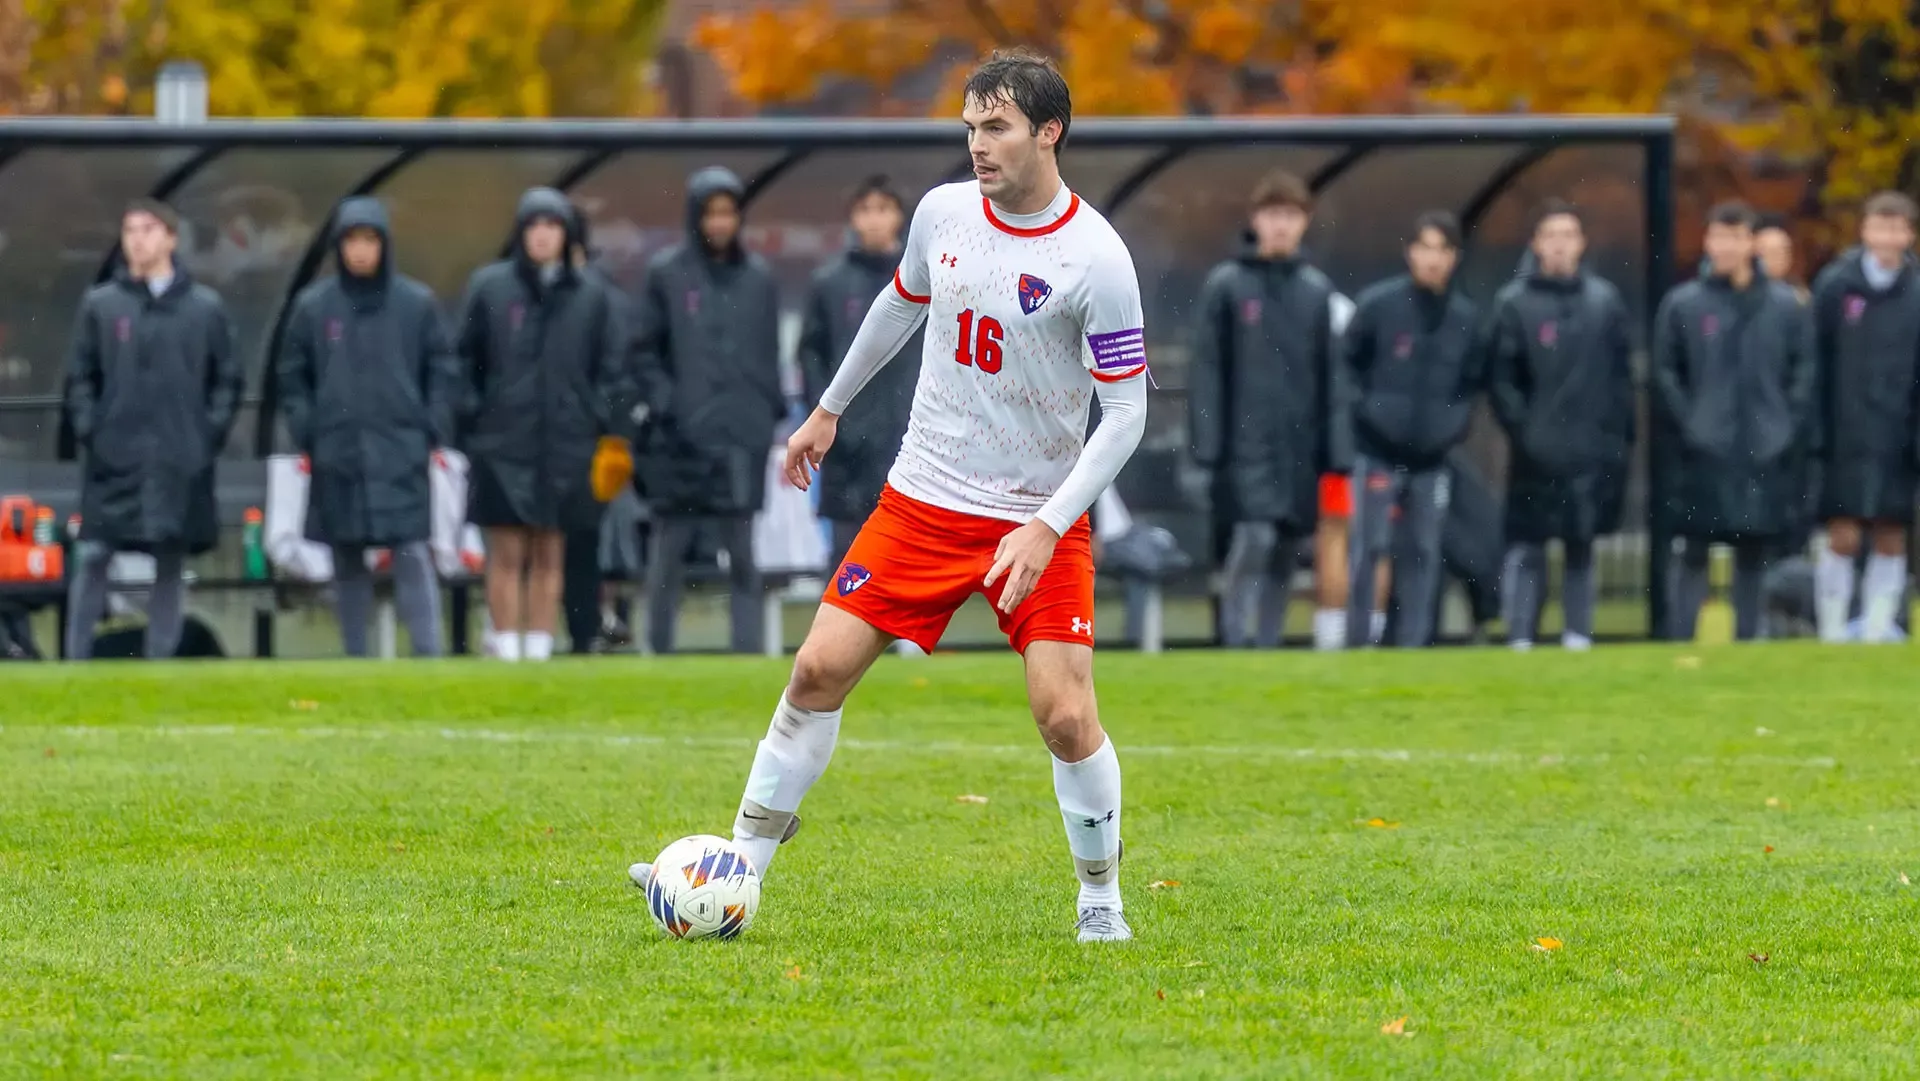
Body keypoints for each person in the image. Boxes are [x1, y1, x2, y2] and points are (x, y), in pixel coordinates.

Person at [628, 50, 1150, 943]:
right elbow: (898, 306)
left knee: (1065, 718)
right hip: (923, 496)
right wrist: (827, 410)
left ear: (1048, 132)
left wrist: (1047, 521)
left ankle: (1099, 895)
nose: (977, 146)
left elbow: (1127, 413)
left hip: (1036, 516)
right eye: (969, 127)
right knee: (816, 669)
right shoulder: (943, 212)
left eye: (996, 128)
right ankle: (736, 869)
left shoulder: (1096, 257)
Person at [457, 187, 633, 663]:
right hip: (502, 441)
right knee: (507, 550)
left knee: (552, 548)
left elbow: (613, 370)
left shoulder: (591, 296)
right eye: (533, 225)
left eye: (552, 225)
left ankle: (538, 647)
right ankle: (504, 643)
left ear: (567, 234)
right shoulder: (490, 287)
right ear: (519, 233)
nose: (541, 235)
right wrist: (475, 420)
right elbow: (463, 361)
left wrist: (600, 423)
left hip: (568, 442)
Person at [62, 199, 242, 660]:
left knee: (169, 557)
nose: (136, 239)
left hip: (178, 458)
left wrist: (206, 436)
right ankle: (74, 659)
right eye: (129, 231)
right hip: (114, 457)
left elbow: (228, 378)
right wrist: (91, 429)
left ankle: (161, 661)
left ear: (171, 239)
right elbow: (81, 376)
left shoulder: (204, 308)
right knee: (96, 554)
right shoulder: (102, 305)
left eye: (147, 229)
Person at [276, 197, 456, 659]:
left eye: (369, 240)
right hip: (339, 451)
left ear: (384, 244)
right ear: (339, 246)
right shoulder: (314, 307)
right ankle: (356, 658)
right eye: (352, 240)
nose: (360, 250)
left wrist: (430, 428)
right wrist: (307, 429)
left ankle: (428, 654)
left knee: (413, 552)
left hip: (401, 449)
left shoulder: (416, 304)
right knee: (346, 558)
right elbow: (292, 375)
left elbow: (442, 369)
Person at [1187, 170, 1345, 648]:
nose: (1281, 225)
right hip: (1244, 446)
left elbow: (1333, 378)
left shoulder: (1316, 292)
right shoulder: (1228, 285)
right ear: (1256, 220)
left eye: (1291, 216)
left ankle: (1269, 645)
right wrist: (1207, 451)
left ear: (1305, 222)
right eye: (1273, 215)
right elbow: (1207, 371)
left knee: (1287, 547)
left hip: (1299, 446)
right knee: (1253, 538)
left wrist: (1337, 452)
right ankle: (1235, 640)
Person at [633, 165, 786, 655]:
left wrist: (765, 415)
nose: (720, 223)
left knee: (742, 556)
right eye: (711, 212)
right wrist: (668, 407)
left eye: (729, 212)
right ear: (695, 216)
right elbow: (643, 352)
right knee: (668, 555)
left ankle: (747, 653)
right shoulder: (667, 274)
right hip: (680, 440)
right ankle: (657, 651)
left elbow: (767, 356)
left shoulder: (759, 279)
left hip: (742, 436)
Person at [1653, 201, 1816, 641]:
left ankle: (1751, 641)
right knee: (1692, 551)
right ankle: (1679, 640)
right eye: (1717, 237)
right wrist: (1693, 423)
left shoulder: (1785, 306)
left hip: (1764, 448)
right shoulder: (1683, 304)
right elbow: (1666, 372)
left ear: (1751, 243)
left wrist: (1782, 426)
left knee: (1755, 552)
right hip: (1702, 450)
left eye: (1734, 237)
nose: (1725, 246)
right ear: (1707, 242)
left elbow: (1802, 373)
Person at [1485, 200, 1636, 651]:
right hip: (1534, 452)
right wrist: (1526, 432)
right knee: (1527, 546)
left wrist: (1612, 439)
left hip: (1590, 450)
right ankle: (1520, 635)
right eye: (1550, 236)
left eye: (1568, 236)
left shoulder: (1604, 301)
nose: (1559, 245)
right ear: (1535, 244)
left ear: (1582, 244)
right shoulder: (1513, 304)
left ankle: (1578, 635)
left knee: (1581, 545)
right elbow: (1501, 380)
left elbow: (1620, 378)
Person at [1341, 211, 1483, 648]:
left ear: (1455, 257)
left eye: (1442, 249)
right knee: (1369, 548)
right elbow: (1347, 366)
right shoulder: (1379, 306)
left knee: (1423, 551)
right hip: (1377, 452)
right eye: (1425, 247)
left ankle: (1414, 644)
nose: (1433, 259)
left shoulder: (1466, 318)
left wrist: (1452, 428)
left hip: (1433, 459)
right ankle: (1359, 641)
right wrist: (1368, 416)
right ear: (1409, 252)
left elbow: (1472, 383)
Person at [1810, 191, 1920, 643]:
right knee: (1844, 534)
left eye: (1898, 228)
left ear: (1910, 234)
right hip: (1845, 431)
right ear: (1865, 230)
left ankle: (1877, 631)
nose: (1888, 236)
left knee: (1891, 535)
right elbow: (1815, 360)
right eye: (1880, 226)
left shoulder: (1917, 291)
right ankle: (1833, 632)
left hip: (1898, 432)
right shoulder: (1836, 286)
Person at [800, 175, 924, 570]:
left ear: (900, 218)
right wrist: (827, 415)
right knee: (847, 556)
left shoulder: (926, 281)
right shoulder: (829, 283)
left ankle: (908, 634)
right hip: (846, 446)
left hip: (912, 438)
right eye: (865, 210)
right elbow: (810, 356)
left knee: (909, 552)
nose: (874, 220)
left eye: (883, 209)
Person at [560, 204, 638, 654]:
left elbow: (620, 369)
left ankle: (602, 623)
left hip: (602, 438)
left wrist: (617, 429)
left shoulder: (602, 296)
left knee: (606, 539)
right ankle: (588, 627)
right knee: (584, 542)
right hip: (571, 435)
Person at [1756, 214, 1809, 304]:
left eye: (1786, 251)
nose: (1781, 258)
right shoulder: (1746, 289)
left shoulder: (1798, 290)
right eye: (1773, 252)